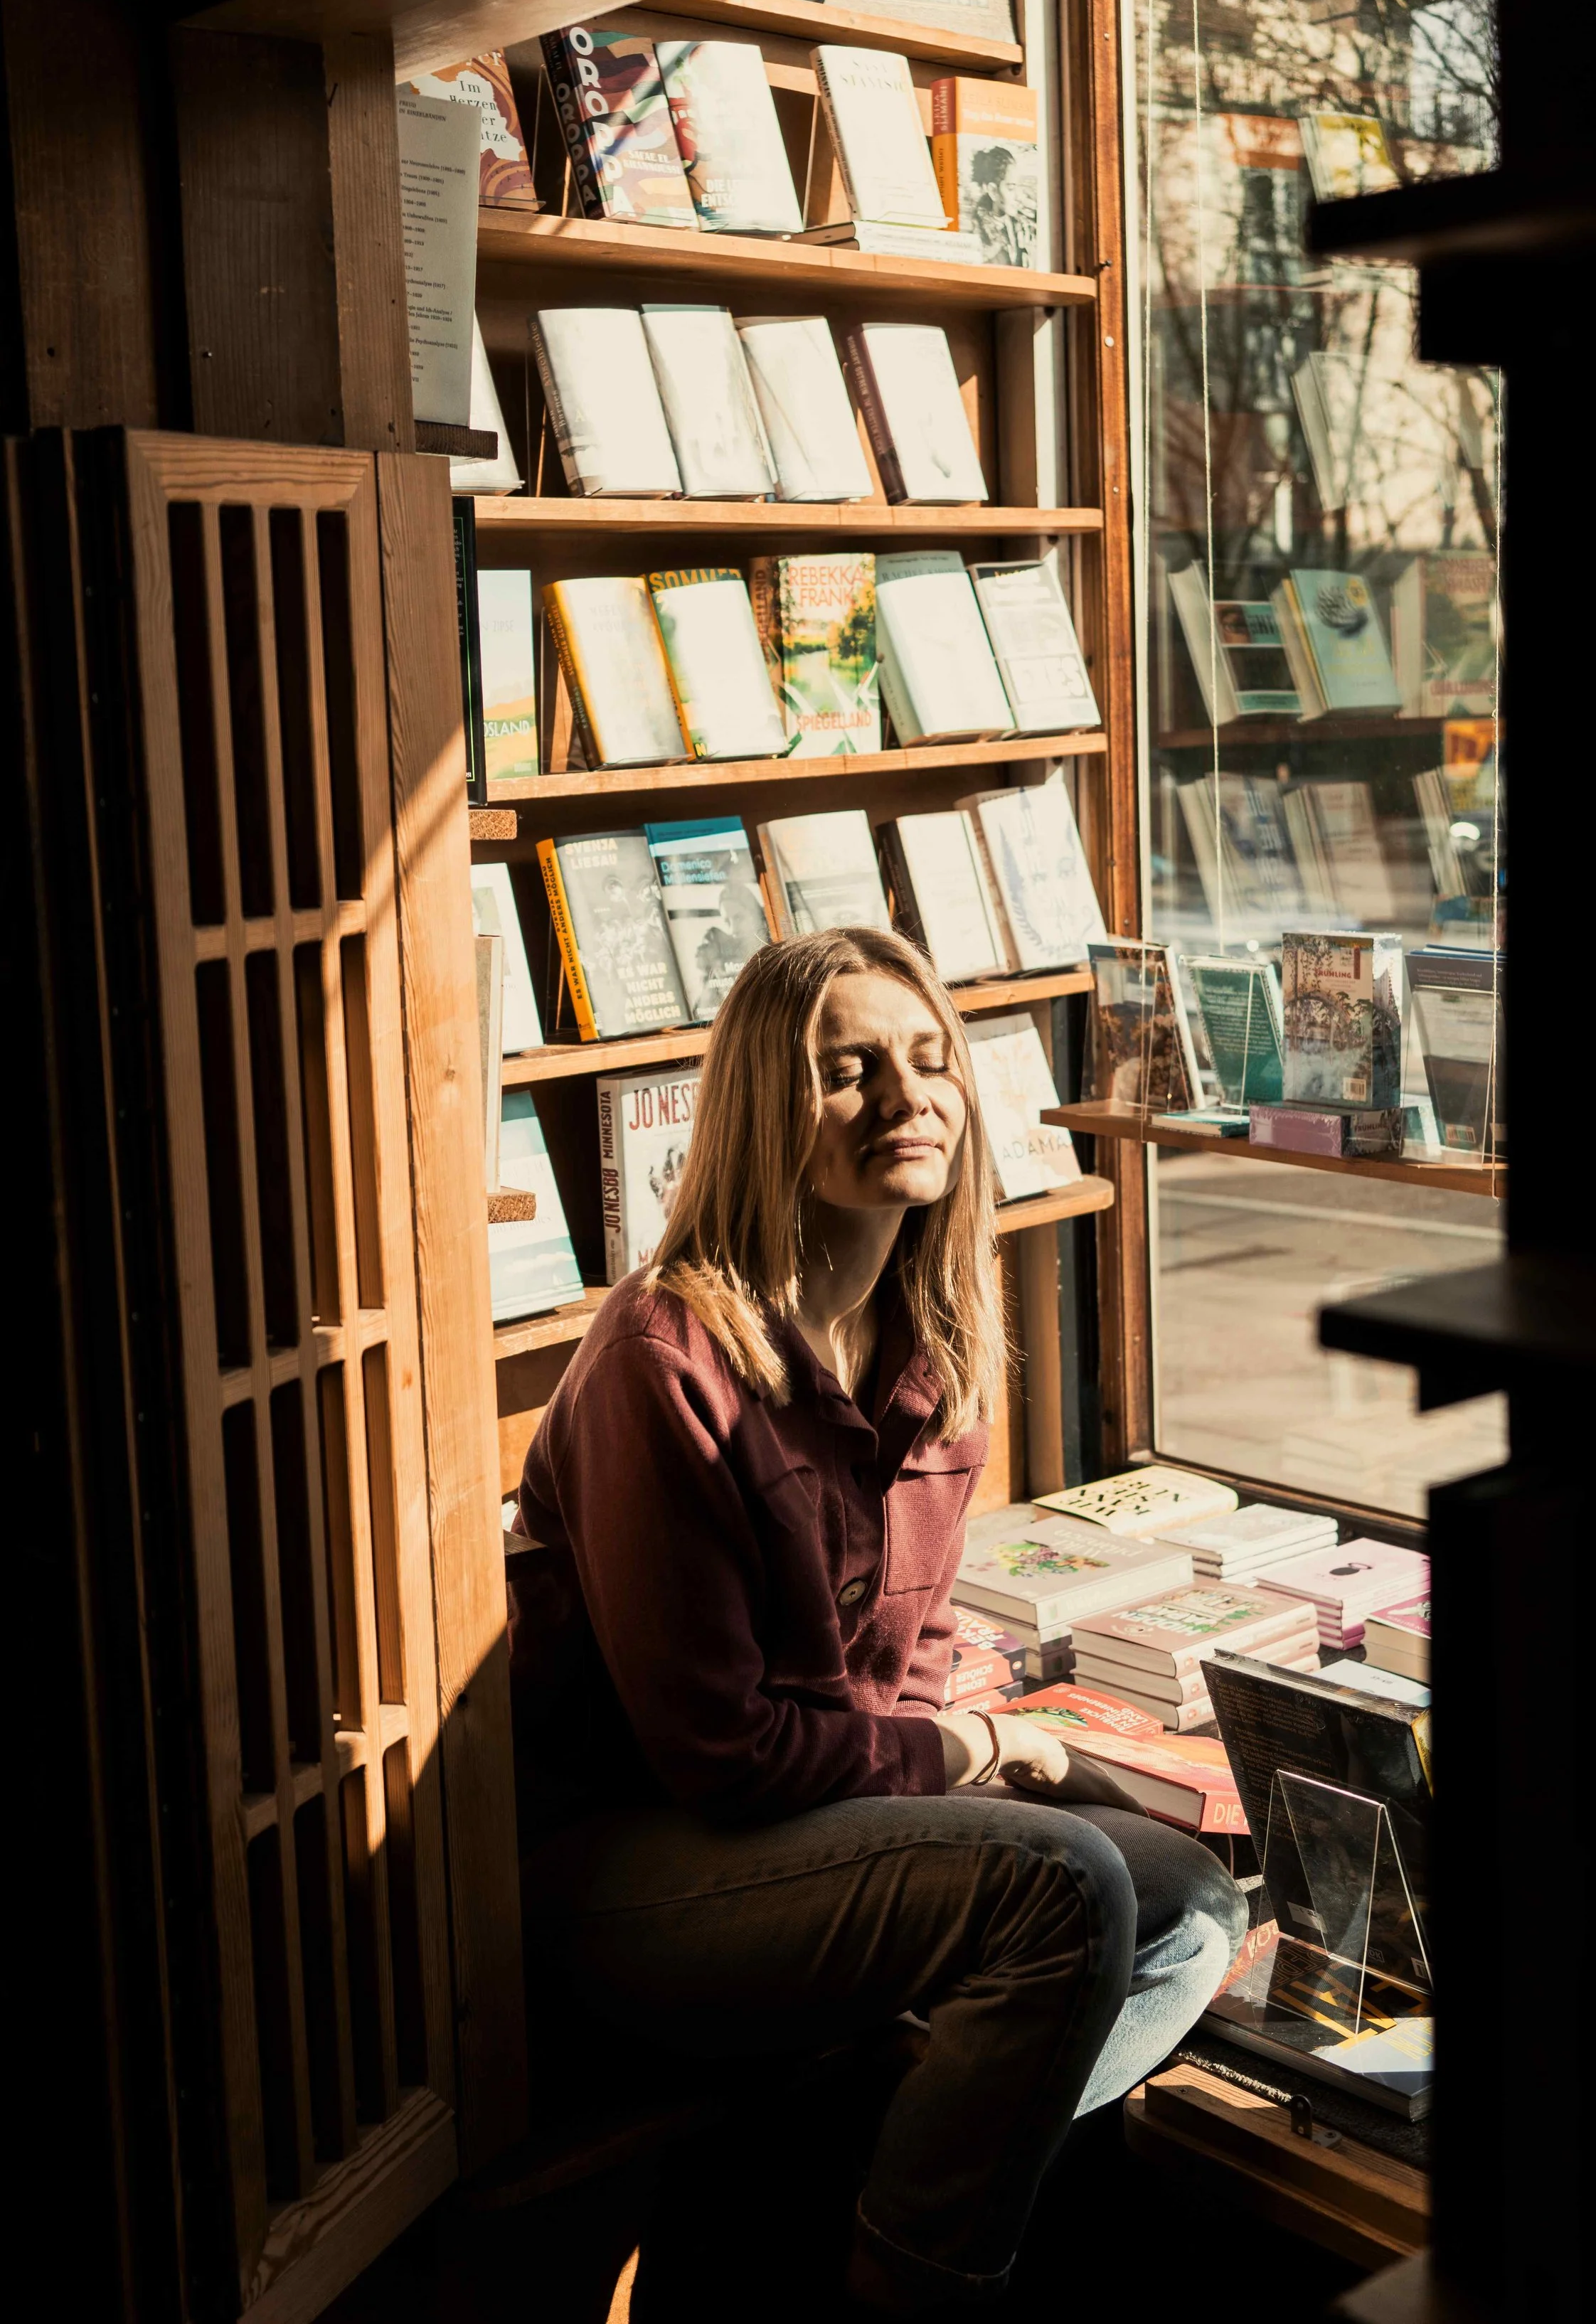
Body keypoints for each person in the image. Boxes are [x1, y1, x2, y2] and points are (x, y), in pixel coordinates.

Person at [509, 929, 1245, 2314]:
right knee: (1061, 1881)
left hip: (822, 1829)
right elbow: (717, 1757)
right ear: (760, 1115)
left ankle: (909, 2163)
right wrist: (979, 1754)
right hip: (631, 1869)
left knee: (1191, 1904)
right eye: (846, 1070)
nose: (905, 1095)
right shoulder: (660, 1356)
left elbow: (895, 1676)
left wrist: (985, 1751)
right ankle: (912, 2282)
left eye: (927, 1060)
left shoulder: (936, 1352)